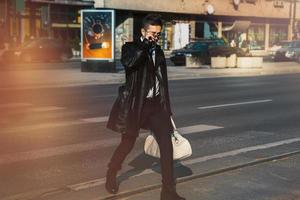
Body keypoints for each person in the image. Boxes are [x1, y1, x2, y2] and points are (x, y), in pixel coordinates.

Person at [106, 14, 185, 200]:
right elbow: (129, 63)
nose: (155, 37)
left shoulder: (158, 51)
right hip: (136, 105)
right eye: (152, 33)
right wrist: (145, 47)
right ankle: (111, 172)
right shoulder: (131, 48)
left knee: (167, 146)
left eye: (158, 34)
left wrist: (167, 109)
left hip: (156, 106)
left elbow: (162, 81)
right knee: (127, 143)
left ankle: (168, 191)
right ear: (143, 31)